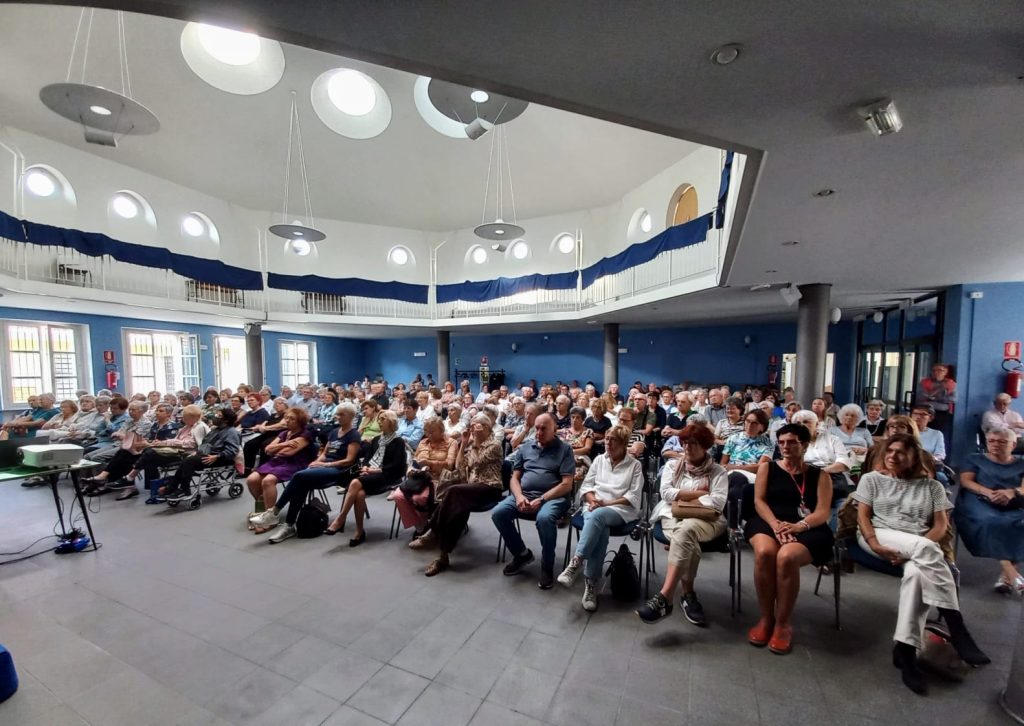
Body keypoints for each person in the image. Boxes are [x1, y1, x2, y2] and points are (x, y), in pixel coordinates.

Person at [855, 433, 989, 694]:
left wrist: (913, 550)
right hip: (879, 535)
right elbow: (863, 517)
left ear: (914, 457)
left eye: (900, 452)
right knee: (927, 551)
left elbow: (940, 527)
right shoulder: (872, 479)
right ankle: (956, 625)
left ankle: (905, 651)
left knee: (917, 575)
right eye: (889, 451)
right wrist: (875, 544)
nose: (893, 456)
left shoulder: (932, 487)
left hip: (916, 541)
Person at [744, 424, 834, 655]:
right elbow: (759, 502)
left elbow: (823, 512)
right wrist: (775, 525)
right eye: (782, 442)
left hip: (808, 525)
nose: (785, 446)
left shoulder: (820, 476)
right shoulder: (768, 468)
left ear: (805, 445)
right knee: (765, 553)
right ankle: (766, 618)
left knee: (786, 557)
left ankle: (783, 624)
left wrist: (799, 526)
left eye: (792, 442)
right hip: (769, 519)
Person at [636, 424, 727, 625]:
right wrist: (701, 494)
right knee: (685, 536)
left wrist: (682, 497)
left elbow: (717, 503)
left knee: (684, 531)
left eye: (693, 443)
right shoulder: (672, 466)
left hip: (707, 519)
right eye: (684, 443)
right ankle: (688, 595)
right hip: (672, 514)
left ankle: (665, 596)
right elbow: (666, 494)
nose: (686, 447)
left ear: (705, 446)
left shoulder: (718, 471)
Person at [554, 424, 644, 611]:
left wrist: (606, 503)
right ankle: (591, 584)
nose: (608, 443)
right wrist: (593, 500)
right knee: (600, 528)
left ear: (624, 443)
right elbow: (586, 486)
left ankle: (576, 562)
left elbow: (633, 497)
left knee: (598, 516)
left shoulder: (635, 465)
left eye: (614, 440)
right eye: (607, 439)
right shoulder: (599, 460)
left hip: (620, 509)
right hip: (594, 505)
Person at [250, 403, 361, 543]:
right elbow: (325, 453)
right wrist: (316, 462)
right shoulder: (334, 432)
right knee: (302, 484)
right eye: (337, 414)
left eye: (341, 414)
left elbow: (349, 460)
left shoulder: (354, 434)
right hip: (323, 466)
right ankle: (289, 525)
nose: (337, 417)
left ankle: (274, 512)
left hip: (339, 469)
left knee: (299, 476)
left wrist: (324, 464)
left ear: (350, 416)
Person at [411, 414, 505, 576]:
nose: (472, 428)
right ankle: (442, 557)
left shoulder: (494, 444)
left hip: (490, 488)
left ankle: (432, 531)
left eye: (475, 425)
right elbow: (460, 466)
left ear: (486, 427)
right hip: (472, 488)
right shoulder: (473, 444)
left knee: (453, 491)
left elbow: (476, 462)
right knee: (457, 509)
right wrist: (464, 444)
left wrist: (474, 443)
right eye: (471, 425)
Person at [492, 413, 575, 589]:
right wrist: (519, 496)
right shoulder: (526, 448)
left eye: (544, 428)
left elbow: (567, 484)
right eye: (536, 428)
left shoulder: (565, 450)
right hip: (525, 495)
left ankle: (547, 566)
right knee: (498, 513)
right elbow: (515, 478)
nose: (539, 432)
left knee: (544, 518)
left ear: (555, 429)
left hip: (553, 498)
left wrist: (542, 499)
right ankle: (522, 554)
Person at [955, 426, 1024, 595]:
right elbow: (966, 482)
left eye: (1002, 442)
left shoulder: (1022, 463)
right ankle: (1011, 573)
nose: (995, 445)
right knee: (991, 522)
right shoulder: (974, 459)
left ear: (1013, 445)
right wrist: (988, 492)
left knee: (1019, 523)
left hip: (1013, 502)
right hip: (978, 500)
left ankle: (1006, 578)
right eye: (991, 441)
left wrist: (1012, 492)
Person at [327, 410, 407, 546]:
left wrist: (376, 470)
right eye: (379, 419)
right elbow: (367, 458)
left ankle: (340, 519)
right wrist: (365, 467)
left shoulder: (398, 441)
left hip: (388, 476)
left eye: (383, 419)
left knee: (355, 482)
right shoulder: (376, 439)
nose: (379, 422)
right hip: (371, 474)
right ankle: (359, 531)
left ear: (391, 422)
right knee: (359, 494)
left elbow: (397, 466)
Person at [245, 408, 316, 532]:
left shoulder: (305, 434)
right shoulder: (284, 433)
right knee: (251, 479)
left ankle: (271, 518)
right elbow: (267, 449)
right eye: (286, 418)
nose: (287, 421)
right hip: (277, 462)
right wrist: (284, 444)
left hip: (295, 463)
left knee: (268, 481)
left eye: (291, 419)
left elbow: (288, 453)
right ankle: (264, 511)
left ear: (300, 421)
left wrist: (276, 448)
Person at [389, 417, 457, 535]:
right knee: (398, 496)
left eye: (432, 431)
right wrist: (411, 470)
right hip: (419, 478)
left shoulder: (451, 442)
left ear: (441, 430)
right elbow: (414, 461)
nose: (428, 434)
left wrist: (429, 464)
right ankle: (421, 526)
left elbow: (450, 465)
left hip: (439, 479)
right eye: (426, 431)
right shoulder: (423, 442)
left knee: (419, 498)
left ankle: (425, 526)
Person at [131, 404, 209, 502]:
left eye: (185, 417)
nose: (183, 419)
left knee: (150, 453)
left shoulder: (200, 427)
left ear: (195, 417)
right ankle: (152, 488)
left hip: (185, 453)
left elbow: (190, 444)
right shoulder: (187, 426)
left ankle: (132, 475)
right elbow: (176, 440)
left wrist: (165, 443)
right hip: (176, 450)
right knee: (150, 458)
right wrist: (162, 443)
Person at [160, 408, 241, 501]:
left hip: (220, 458)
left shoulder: (232, 432)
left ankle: (184, 490)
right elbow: (204, 444)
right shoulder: (215, 430)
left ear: (226, 420)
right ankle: (172, 488)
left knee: (189, 461)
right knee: (186, 460)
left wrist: (217, 456)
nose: (215, 417)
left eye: (218, 416)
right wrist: (197, 452)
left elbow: (232, 450)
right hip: (208, 455)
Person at [721, 409, 773, 522]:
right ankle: (735, 522)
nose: (749, 425)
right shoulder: (733, 438)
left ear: (762, 427)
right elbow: (723, 463)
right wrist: (731, 468)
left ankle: (732, 522)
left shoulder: (768, 444)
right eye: (748, 421)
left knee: (736, 478)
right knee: (735, 481)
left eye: (754, 423)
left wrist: (734, 467)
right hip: (730, 473)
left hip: (753, 475)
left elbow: (760, 468)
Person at [242, 397, 289, 473]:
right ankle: (247, 468)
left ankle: (263, 468)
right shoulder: (273, 415)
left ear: (286, 405)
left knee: (265, 444)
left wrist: (266, 428)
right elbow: (264, 423)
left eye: (280, 403)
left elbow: (281, 425)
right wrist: (262, 427)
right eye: (275, 403)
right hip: (267, 433)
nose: (277, 405)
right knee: (250, 444)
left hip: (279, 435)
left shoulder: (287, 415)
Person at [916, 362, 955, 445]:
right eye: (934, 370)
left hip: (942, 413)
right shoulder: (924, 382)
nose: (937, 372)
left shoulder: (950, 384)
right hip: (925, 411)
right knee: (922, 432)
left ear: (945, 372)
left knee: (938, 434)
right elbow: (920, 396)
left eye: (940, 370)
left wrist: (933, 398)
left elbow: (952, 398)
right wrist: (936, 398)